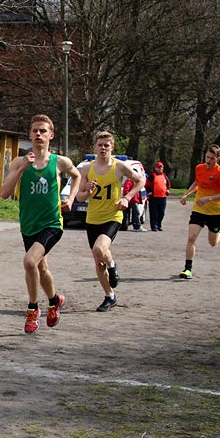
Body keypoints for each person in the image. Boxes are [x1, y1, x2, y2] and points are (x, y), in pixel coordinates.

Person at [0, 115, 81, 334]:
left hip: (52, 223)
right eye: (35, 130)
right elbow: (4, 194)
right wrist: (21, 169)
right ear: (29, 134)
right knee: (41, 267)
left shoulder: (59, 162)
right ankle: (55, 300)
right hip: (28, 224)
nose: (38, 134)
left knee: (29, 262)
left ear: (51, 135)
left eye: (43, 131)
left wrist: (72, 198)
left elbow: (77, 176)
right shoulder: (19, 162)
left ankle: (33, 309)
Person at [75, 131, 145, 312]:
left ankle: (112, 266)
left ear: (112, 147)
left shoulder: (119, 166)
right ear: (95, 147)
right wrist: (88, 191)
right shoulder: (87, 168)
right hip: (93, 219)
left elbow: (140, 181)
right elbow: (80, 198)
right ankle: (110, 295)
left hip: (112, 216)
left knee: (99, 249)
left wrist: (127, 198)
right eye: (100, 145)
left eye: (107, 145)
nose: (103, 148)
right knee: (98, 262)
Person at [178, 144, 220, 279]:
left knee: (212, 243)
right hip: (199, 209)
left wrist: (209, 198)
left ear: (218, 159)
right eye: (207, 157)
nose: (208, 161)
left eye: (212, 158)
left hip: (215, 212)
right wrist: (186, 195)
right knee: (191, 237)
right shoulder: (199, 168)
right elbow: (197, 183)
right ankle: (187, 269)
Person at [147, 161, 170, 231]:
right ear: (156, 168)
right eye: (159, 167)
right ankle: (154, 226)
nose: (161, 169)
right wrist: (149, 192)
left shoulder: (164, 176)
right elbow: (146, 184)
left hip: (163, 197)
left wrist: (168, 190)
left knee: (161, 212)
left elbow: (168, 184)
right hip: (154, 197)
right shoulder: (152, 176)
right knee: (154, 212)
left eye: (162, 167)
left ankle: (159, 225)